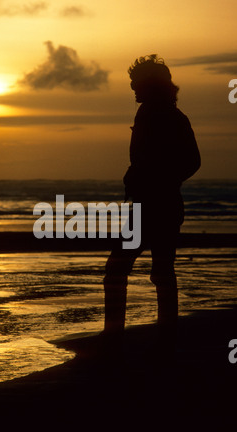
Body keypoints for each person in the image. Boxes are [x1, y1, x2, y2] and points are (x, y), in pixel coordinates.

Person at [103, 54, 201, 362]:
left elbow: (191, 161)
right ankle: (152, 338)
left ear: (151, 84)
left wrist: (159, 179)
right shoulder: (154, 113)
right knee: (154, 271)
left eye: (136, 82)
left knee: (127, 269)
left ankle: (122, 337)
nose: (132, 87)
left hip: (158, 205)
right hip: (151, 205)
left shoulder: (169, 117)